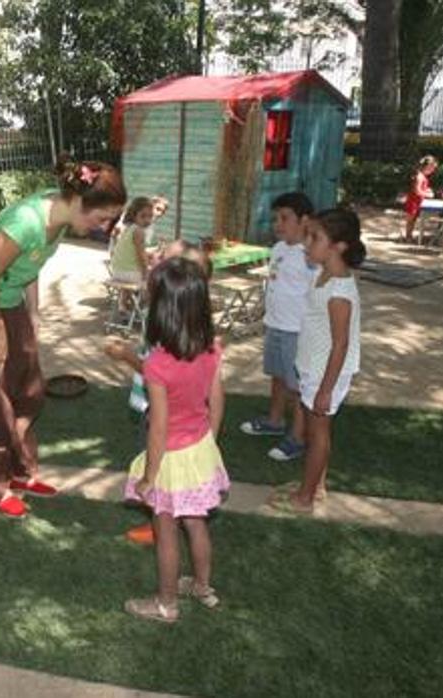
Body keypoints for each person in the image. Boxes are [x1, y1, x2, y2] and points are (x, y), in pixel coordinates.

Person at [0, 154, 126, 518]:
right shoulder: (25, 222)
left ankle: (21, 470)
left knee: (26, 387)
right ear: (79, 201)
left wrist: (33, 315)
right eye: (103, 217)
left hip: (8, 302)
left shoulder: (60, 220)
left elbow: (32, 267)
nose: (104, 227)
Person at [123, 257, 229, 623]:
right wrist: (209, 445)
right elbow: (217, 402)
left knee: (165, 529)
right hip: (200, 449)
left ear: (160, 311)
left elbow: (159, 426)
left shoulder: (156, 364)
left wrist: (150, 477)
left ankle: (166, 604)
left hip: (169, 458)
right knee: (196, 523)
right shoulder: (213, 348)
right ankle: (202, 586)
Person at [105, 241, 212, 547]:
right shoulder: (186, 323)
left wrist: (124, 355)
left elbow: (156, 371)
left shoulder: (168, 322)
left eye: (165, 260)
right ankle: (170, 517)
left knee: (157, 466)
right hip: (179, 420)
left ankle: (162, 523)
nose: (156, 262)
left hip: (161, 415)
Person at [268, 209, 365, 513]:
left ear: (339, 246)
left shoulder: (339, 291)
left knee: (317, 433)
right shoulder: (324, 274)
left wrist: (325, 389)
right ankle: (317, 486)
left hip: (327, 374)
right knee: (316, 431)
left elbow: (340, 344)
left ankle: (305, 497)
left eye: (315, 238)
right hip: (314, 368)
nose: (307, 243)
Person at [238, 192, 316, 464]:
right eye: (275, 219)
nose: (278, 224)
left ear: (304, 220)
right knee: (278, 377)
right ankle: (274, 420)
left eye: (285, 218)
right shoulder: (279, 248)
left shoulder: (311, 253)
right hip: (276, 325)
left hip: (298, 331)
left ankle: (298, 437)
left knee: (298, 387)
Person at [110, 197, 154, 283]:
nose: (147, 220)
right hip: (130, 274)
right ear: (134, 215)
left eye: (150, 216)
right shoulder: (138, 231)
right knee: (153, 278)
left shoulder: (128, 228)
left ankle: (125, 297)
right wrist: (146, 273)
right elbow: (141, 255)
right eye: (143, 216)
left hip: (116, 271)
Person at [403, 156, 437, 243]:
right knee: (410, 220)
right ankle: (408, 237)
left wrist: (426, 190)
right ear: (428, 166)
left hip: (418, 202)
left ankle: (409, 236)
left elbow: (421, 188)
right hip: (413, 201)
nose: (433, 171)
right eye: (432, 168)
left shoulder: (422, 176)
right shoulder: (420, 176)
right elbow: (417, 190)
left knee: (413, 220)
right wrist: (428, 194)